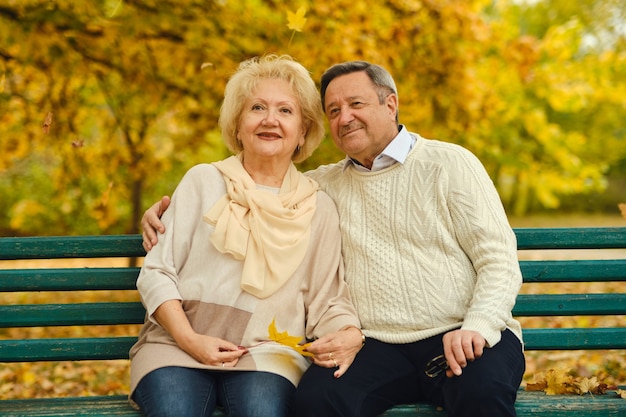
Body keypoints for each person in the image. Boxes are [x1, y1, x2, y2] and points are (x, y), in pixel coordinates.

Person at [141, 60, 525, 417]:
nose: (346, 117)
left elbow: (499, 259)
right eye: (335, 110)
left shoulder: (449, 164)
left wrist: (478, 324)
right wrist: (164, 213)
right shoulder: (323, 186)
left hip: (461, 332)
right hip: (380, 346)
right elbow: (260, 188)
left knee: (481, 397)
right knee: (318, 401)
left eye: (356, 103)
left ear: (390, 104)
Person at [129, 55, 363, 417]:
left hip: (269, 353)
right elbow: (158, 273)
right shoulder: (202, 181)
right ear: (238, 125)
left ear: (303, 131)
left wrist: (348, 333)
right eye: (257, 107)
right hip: (176, 344)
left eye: (286, 111)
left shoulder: (319, 206)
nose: (270, 119)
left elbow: (327, 299)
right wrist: (190, 340)